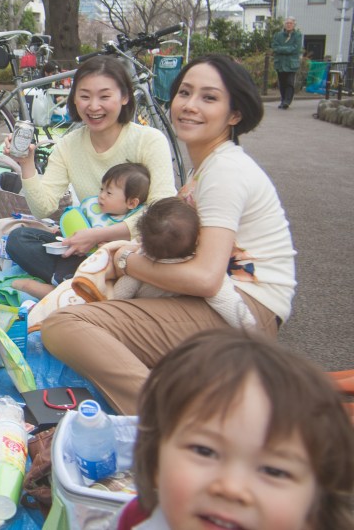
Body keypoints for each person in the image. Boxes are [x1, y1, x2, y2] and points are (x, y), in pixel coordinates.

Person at [42, 55, 295, 415]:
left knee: (63, 325)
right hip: (216, 302)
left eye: (209, 98)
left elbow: (206, 278)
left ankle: (169, 420)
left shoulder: (226, 170)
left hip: (244, 311)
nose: (190, 106)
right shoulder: (206, 166)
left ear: (235, 114)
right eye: (185, 93)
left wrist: (125, 260)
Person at [118, 328, 354, 530]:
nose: (231, 488)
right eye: (204, 451)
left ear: (317, 500)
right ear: (155, 457)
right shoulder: (138, 517)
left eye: (274, 471)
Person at [2, 55, 176, 300]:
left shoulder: (149, 140)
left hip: (135, 248)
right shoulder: (68, 145)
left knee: (148, 257)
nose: (93, 106)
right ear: (74, 99)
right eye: (84, 96)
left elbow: (162, 211)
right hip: (87, 248)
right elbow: (43, 209)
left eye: (105, 96)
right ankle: (85, 286)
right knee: (19, 239)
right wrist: (26, 164)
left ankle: (68, 286)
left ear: (125, 97)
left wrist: (100, 235)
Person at [76, 197, 256, 329]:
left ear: (143, 240)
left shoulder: (141, 265)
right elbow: (229, 303)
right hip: (183, 323)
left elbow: (120, 295)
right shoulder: (200, 268)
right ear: (198, 239)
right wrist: (250, 330)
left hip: (144, 320)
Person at [271, 17, 302, 110]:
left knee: (289, 82)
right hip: (280, 63)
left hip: (291, 64)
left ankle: (287, 101)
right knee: (282, 83)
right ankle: (283, 99)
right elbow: (275, 47)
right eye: (287, 23)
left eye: (291, 23)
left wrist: (283, 49)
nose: (289, 25)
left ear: (294, 25)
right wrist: (286, 49)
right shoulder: (278, 35)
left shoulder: (297, 35)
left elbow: (295, 48)